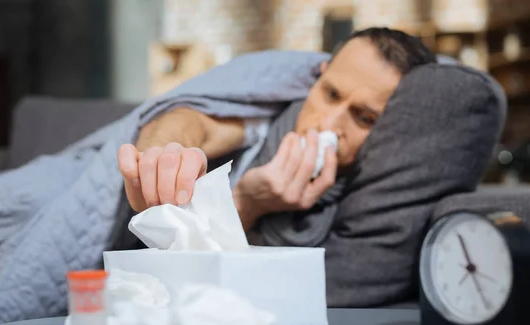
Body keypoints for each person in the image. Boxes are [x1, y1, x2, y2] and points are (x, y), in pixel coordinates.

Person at [117, 27, 437, 233]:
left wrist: (251, 202)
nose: (327, 124)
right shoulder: (272, 120)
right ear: (318, 77)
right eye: (330, 95)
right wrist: (161, 154)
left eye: (364, 118)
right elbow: (195, 121)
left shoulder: (381, 194)